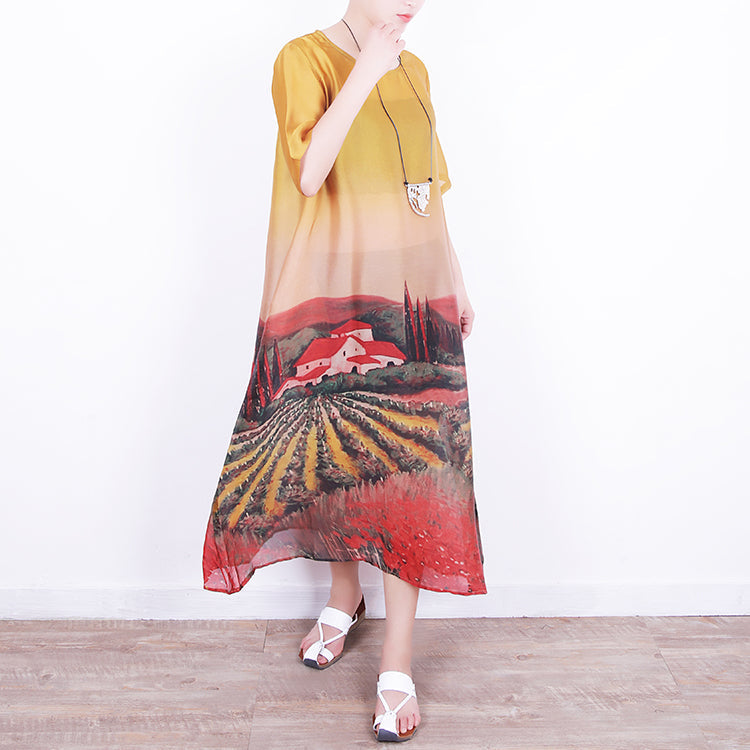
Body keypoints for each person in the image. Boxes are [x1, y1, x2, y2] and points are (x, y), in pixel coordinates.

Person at [202, 0, 486, 741]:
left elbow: (427, 191)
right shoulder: (304, 57)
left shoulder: (417, 70)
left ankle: (397, 663)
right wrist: (367, 69)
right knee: (335, 461)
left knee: (413, 472)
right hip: (327, 293)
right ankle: (343, 596)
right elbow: (309, 172)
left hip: (413, 291)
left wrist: (454, 279)